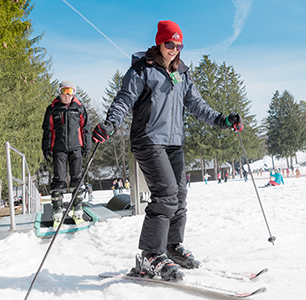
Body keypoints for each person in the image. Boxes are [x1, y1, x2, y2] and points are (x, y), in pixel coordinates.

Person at [91, 20, 243, 281]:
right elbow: (124, 99)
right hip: (148, 140)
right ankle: (150, 254)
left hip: (174, 143)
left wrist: (222, 120)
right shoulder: (142, 70)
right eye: (169, 44)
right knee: (166, 193)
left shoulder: (182, 73)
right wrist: (111, 124)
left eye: (178, 45)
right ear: (159, 42)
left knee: (180, 194)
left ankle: (171, 247)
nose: (174, 49)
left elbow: (196, 104)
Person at [42, 80, 91, 224]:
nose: (67, 95)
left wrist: (87, 147)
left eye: (71, 91)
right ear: (60, 92)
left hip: (76, 148)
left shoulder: (79, 108)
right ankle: (57, 209)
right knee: (59, 179)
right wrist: (46, 148)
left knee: (77, 178)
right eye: (64, 91)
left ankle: (77, 207)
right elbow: (47, 130)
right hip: (59, 149)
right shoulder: (52, 109)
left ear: (74, 93)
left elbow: (85, 128)